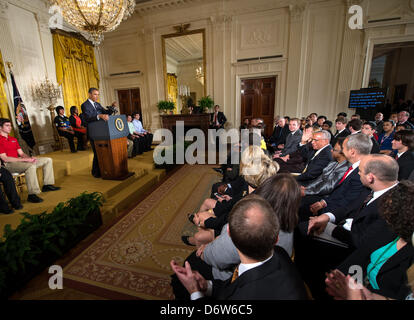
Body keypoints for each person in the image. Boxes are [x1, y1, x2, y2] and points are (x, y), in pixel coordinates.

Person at [170, 195, 308, 300]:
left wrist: (195, 292)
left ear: (228, 234)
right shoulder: (280, 253)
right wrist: (207, 286)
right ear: (276, 239)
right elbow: (232, 286)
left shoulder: (245, 296)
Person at [331, 181, 414, 300]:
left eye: (390, 213)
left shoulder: (410, 255)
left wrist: (361, 295)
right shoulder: (388, 231)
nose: (385, 217)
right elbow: (359, 256)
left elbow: (397, 293)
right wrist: (342, 278)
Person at [0, 118, 60, 203]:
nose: (10, 127)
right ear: (0, 128)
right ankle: (32, 194)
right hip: (8, 164)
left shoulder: (13, 139)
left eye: (10, 125)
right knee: (30, 166)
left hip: (20, 161)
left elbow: (21, 153)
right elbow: (4, 158)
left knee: (47, 160)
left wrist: (29, 158)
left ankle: (47, 185)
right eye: (7, 125)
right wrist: (25, 160)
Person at [81, 87, 111, 178]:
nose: (97, 96)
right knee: (97, 152)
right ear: (89, 94)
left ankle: (102, 170)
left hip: (101, 131)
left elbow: (106, 112)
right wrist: (100, 116)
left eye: (98, 94)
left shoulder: (97, 104)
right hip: (93, 131)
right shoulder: (85, 105)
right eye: (95, 94)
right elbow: (88, 117)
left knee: (102, 152)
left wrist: (112, 107)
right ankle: (95, 172)